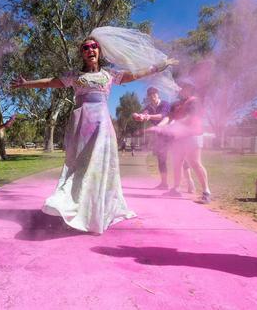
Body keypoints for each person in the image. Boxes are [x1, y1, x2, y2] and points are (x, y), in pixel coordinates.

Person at [11, 36, 177, 233]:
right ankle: (74, 207)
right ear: (82, 53)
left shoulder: (109, 74)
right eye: (86, 47)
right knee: (79, 165)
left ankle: (96, 211)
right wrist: (26, 84)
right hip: (81, 125)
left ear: (99, 51)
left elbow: (134, 75)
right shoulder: (74, 76)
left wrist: (158, 66)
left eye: (94, 46)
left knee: (100, 167)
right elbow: (50, 82)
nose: (90, 50)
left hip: (102, 127)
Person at [151, 78, 211, 203]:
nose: (180, 89)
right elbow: (168, 117)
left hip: (193, 135)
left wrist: (172, 126)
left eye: (183, 87)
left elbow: (189, 118)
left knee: (195, 162)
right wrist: (159, 126)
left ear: (189, 88)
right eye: (179, 87)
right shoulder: (176, 104)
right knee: (176, 163)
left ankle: (206, 192)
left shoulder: (194, 102)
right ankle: (176, 189)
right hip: (179, 137)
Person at [132, 87, 171, 189]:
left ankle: (189, 183)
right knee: (161, 160)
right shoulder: (149, 107)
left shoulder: (165, 104)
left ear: (158, 94)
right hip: (161, 136)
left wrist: (149, 116)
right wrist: (138, 116)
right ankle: (164, 183)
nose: (152, 97)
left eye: (154, 95)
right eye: (150, 96)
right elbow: (145, 114)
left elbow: (162, 116)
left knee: (181, 158)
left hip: (172, 134)